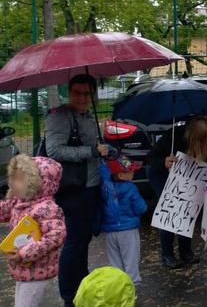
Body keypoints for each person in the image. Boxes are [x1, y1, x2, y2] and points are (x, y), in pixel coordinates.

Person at [45, 74, 109, 307]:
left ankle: (81, 285)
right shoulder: (60, 116)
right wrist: (91, 150)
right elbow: (54, 151)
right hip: (72, 190)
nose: (82, 97)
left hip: (89, 187)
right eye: (78, 92)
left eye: (87, 93)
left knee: (82, 240)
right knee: (74, 241)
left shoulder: (87, 116)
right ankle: (69, 295)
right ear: (69, 92)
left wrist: (104, 150)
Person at [148, 116, 207, 269]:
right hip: (162, 174)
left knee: (189, 209)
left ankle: (185, 251)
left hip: (190, 176)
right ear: (199, 138)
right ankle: (167, 254)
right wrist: (164, 162)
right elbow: (151, 158)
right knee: (172, 211)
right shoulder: (174, 137)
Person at [1, 155, 65, 307]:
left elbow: (55, 237)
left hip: (37, 270)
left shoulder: (47, 208)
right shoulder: (20, 202)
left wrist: (25, 253)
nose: (13, 183)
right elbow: (3, 210)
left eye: (20, 179)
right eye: (13, 178)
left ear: (38, 183)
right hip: (23, 269)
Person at [100, 156, 147, 287]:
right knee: (131, 259)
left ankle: (119, 287)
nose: (133, 172)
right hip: (128, 230)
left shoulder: (104, 189)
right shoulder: (130, 188)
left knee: (115, 262)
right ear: (121, 175)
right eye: (129, 171)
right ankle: (132, 286)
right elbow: (141, 207)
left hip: (110, 231)